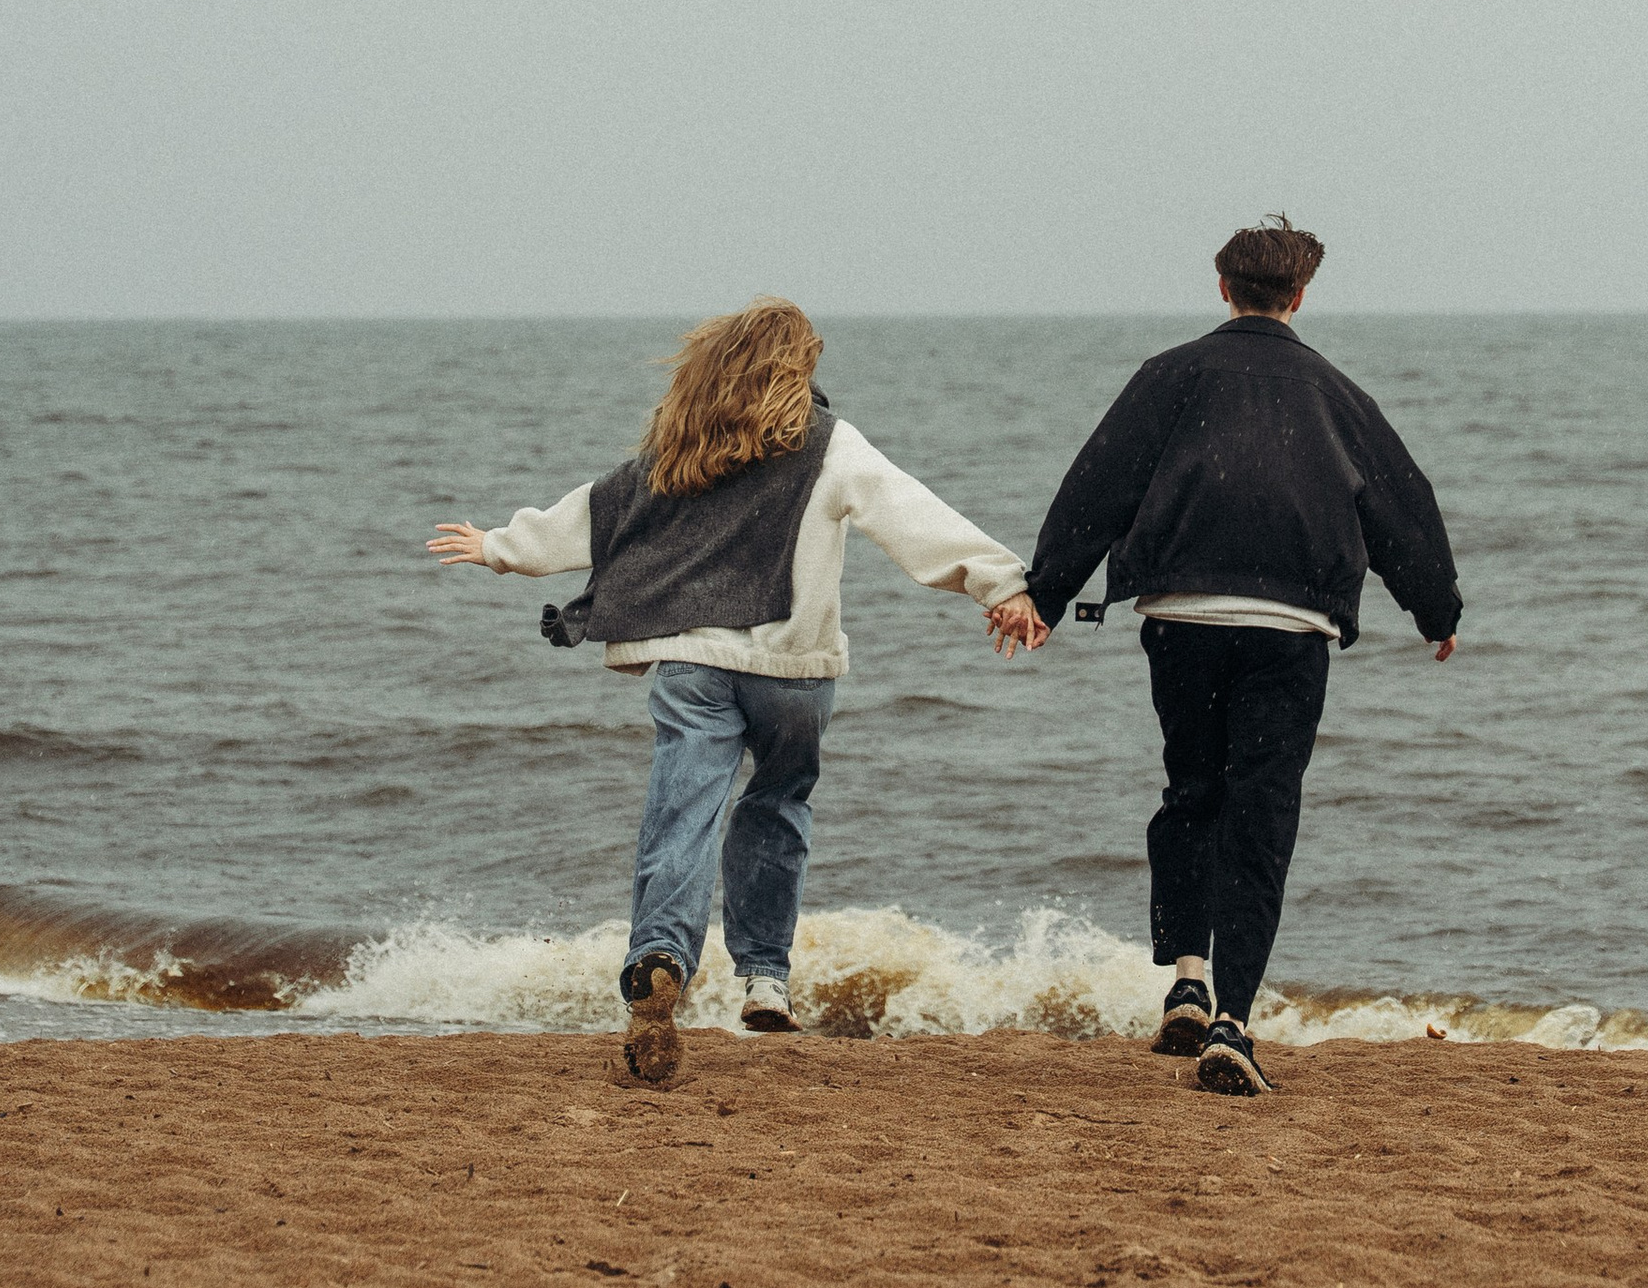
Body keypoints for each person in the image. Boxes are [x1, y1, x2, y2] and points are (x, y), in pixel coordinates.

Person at [432, 297, 1042, 1086]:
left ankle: (659, 956)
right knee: (778, 803)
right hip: (794, 668)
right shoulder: (829, 444)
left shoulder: (678, 445)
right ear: (803, 367)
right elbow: (911, 515)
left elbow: (598, 512)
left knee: (682, 809)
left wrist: (501, 548)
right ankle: (764, 977)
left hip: (692, 660)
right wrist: (1001, 584)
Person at [990, 217, 1461, 1100]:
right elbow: (1402, 506)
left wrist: (1043, 594)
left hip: (1184, 616)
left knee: (1191, 792)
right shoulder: (1336, 393)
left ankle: (1187, 976)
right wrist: (1436, 608)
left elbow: (1098, 486)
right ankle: (1235, 1024)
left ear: (1222, 289)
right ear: (1300, 295)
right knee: (1262, 813)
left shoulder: (1169, 377)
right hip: (1292, 627)